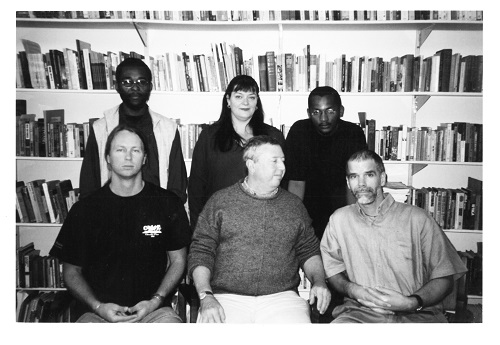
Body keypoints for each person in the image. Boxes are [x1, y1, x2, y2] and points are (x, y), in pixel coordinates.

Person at [49, 124, 191, 323]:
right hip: (97, 314)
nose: (128, 157)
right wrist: (98, 307)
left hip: (154, 312)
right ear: (107, 158)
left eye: (135, 150)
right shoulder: (84, 209)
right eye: (120, 150)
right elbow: (71, 272)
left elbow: (178, 261)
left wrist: (155, 301)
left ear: (145, 158)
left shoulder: (167, 203)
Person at [188, 135, 331, 323]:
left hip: (282, 300)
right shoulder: (220, 202)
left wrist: (319, 282)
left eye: (283, 161)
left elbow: (309, 250)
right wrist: (206, 296)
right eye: (274, 161)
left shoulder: (294, 206)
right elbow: (201, 253)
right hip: (225, 299)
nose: (282, 167)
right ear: (251, 165)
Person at [320, 149, 468, 323]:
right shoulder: (339, 220)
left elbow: (445, 277)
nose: (361, 183)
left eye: (369, 175)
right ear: (347, 181)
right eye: (354, 176)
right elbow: (333, 272)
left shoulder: (418, 219)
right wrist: (354, 291)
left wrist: (411, 302)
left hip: (417, 316)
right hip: (359, 314)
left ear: (382, 178)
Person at [79, 57, 187, 202]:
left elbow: (177, 185)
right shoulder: (100, 128)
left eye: (142, 82)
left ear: (150, 87)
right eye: (127, 82)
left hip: (156, 212)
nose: (135, 87)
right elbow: (89, 183)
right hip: (112, 211)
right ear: (117, 86)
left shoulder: (168, 129)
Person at [188, 75, 285, 229]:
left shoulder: (273, 136)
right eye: (239, 96)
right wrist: (198, 228)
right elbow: (196, 187)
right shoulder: (209, 136)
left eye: (251, 97)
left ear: (257, 103)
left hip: (263, 221)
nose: (245, 102)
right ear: (228, 100)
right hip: (219, 222)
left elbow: (282, 184)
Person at [284, 86, 367, 240]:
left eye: (330, 111)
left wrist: (351, 221)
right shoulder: (299, 131)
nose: (323, 119)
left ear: (341, 111)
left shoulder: (352, 133)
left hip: (341, 208)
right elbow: (296, 182)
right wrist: (292, 222)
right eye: (316, 112)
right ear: (309, 113)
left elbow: (354, 181)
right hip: (307, 211)